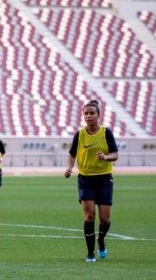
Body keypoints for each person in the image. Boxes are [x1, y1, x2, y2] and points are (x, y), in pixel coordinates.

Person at [64, 100, 118, 262]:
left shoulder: (106, 133)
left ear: (98, 115)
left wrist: (105, 157)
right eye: (86, 113)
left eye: (92, 113)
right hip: (86, 179)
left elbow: (115, 154)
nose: (89, 116)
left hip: (104, 179)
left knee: (104, 219)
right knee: (89, 216)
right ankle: (90, 253)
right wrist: (69, 168)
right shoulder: (79, 134)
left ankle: (100, 240)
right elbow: (72, 154)